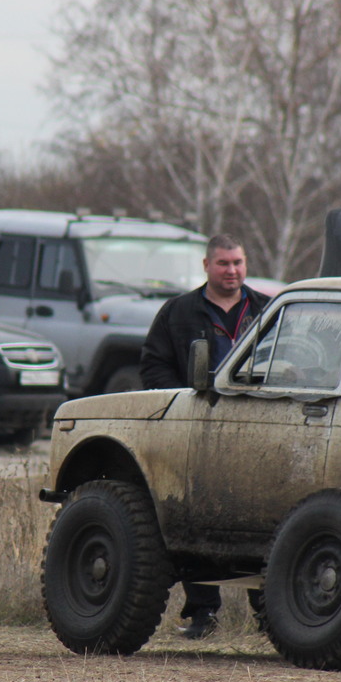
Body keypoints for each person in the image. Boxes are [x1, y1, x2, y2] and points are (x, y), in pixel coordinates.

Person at [139, 233, 272, 639]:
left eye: (238, 263)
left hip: (259, 430)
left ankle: (271, 617)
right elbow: (153, 367)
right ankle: (202, 614)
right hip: (196, 430)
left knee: (266, 518)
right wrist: (186, 402)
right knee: (193, 517)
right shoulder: (178, 312)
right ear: (206, 266)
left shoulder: (269, 311)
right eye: (223, 264)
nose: (232, 271)